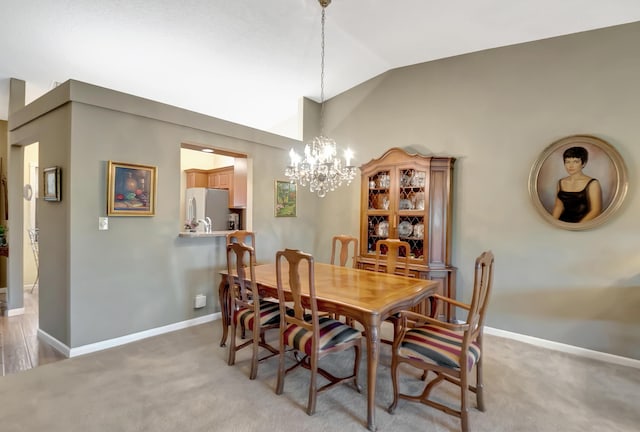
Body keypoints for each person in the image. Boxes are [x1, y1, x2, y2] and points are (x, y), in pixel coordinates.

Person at [552, 146, 602, 223]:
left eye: (575, 161)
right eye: (567, 161)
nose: (570, 166)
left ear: (583, 163)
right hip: (563, 222)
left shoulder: (593, 183)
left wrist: (576, 227)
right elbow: (558, 207)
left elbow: (596, 211)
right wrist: (553, 223)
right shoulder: (561, 182)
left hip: (584, 224)